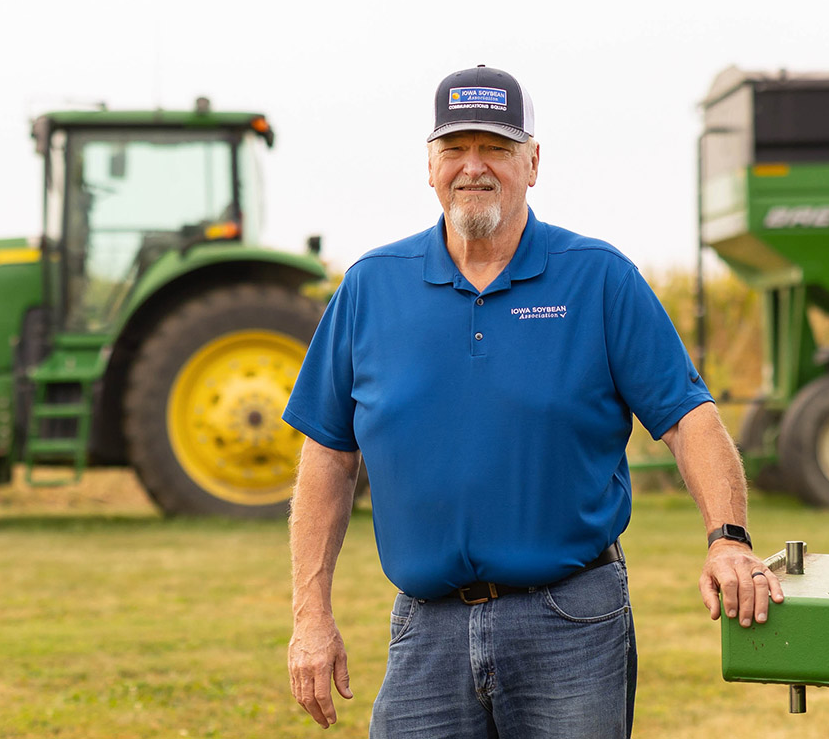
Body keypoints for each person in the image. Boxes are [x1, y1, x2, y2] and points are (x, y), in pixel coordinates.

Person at [284, 65, 783, 738]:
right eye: (455, 149)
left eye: (494, 148)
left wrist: (728, 539)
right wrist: (311, 615)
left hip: (570, 621)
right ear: (429, 165)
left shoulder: (599, 278)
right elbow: (328, 458)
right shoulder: (370, 288)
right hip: (425, 626)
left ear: (533, 162)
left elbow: (689, 419)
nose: (473, 167)